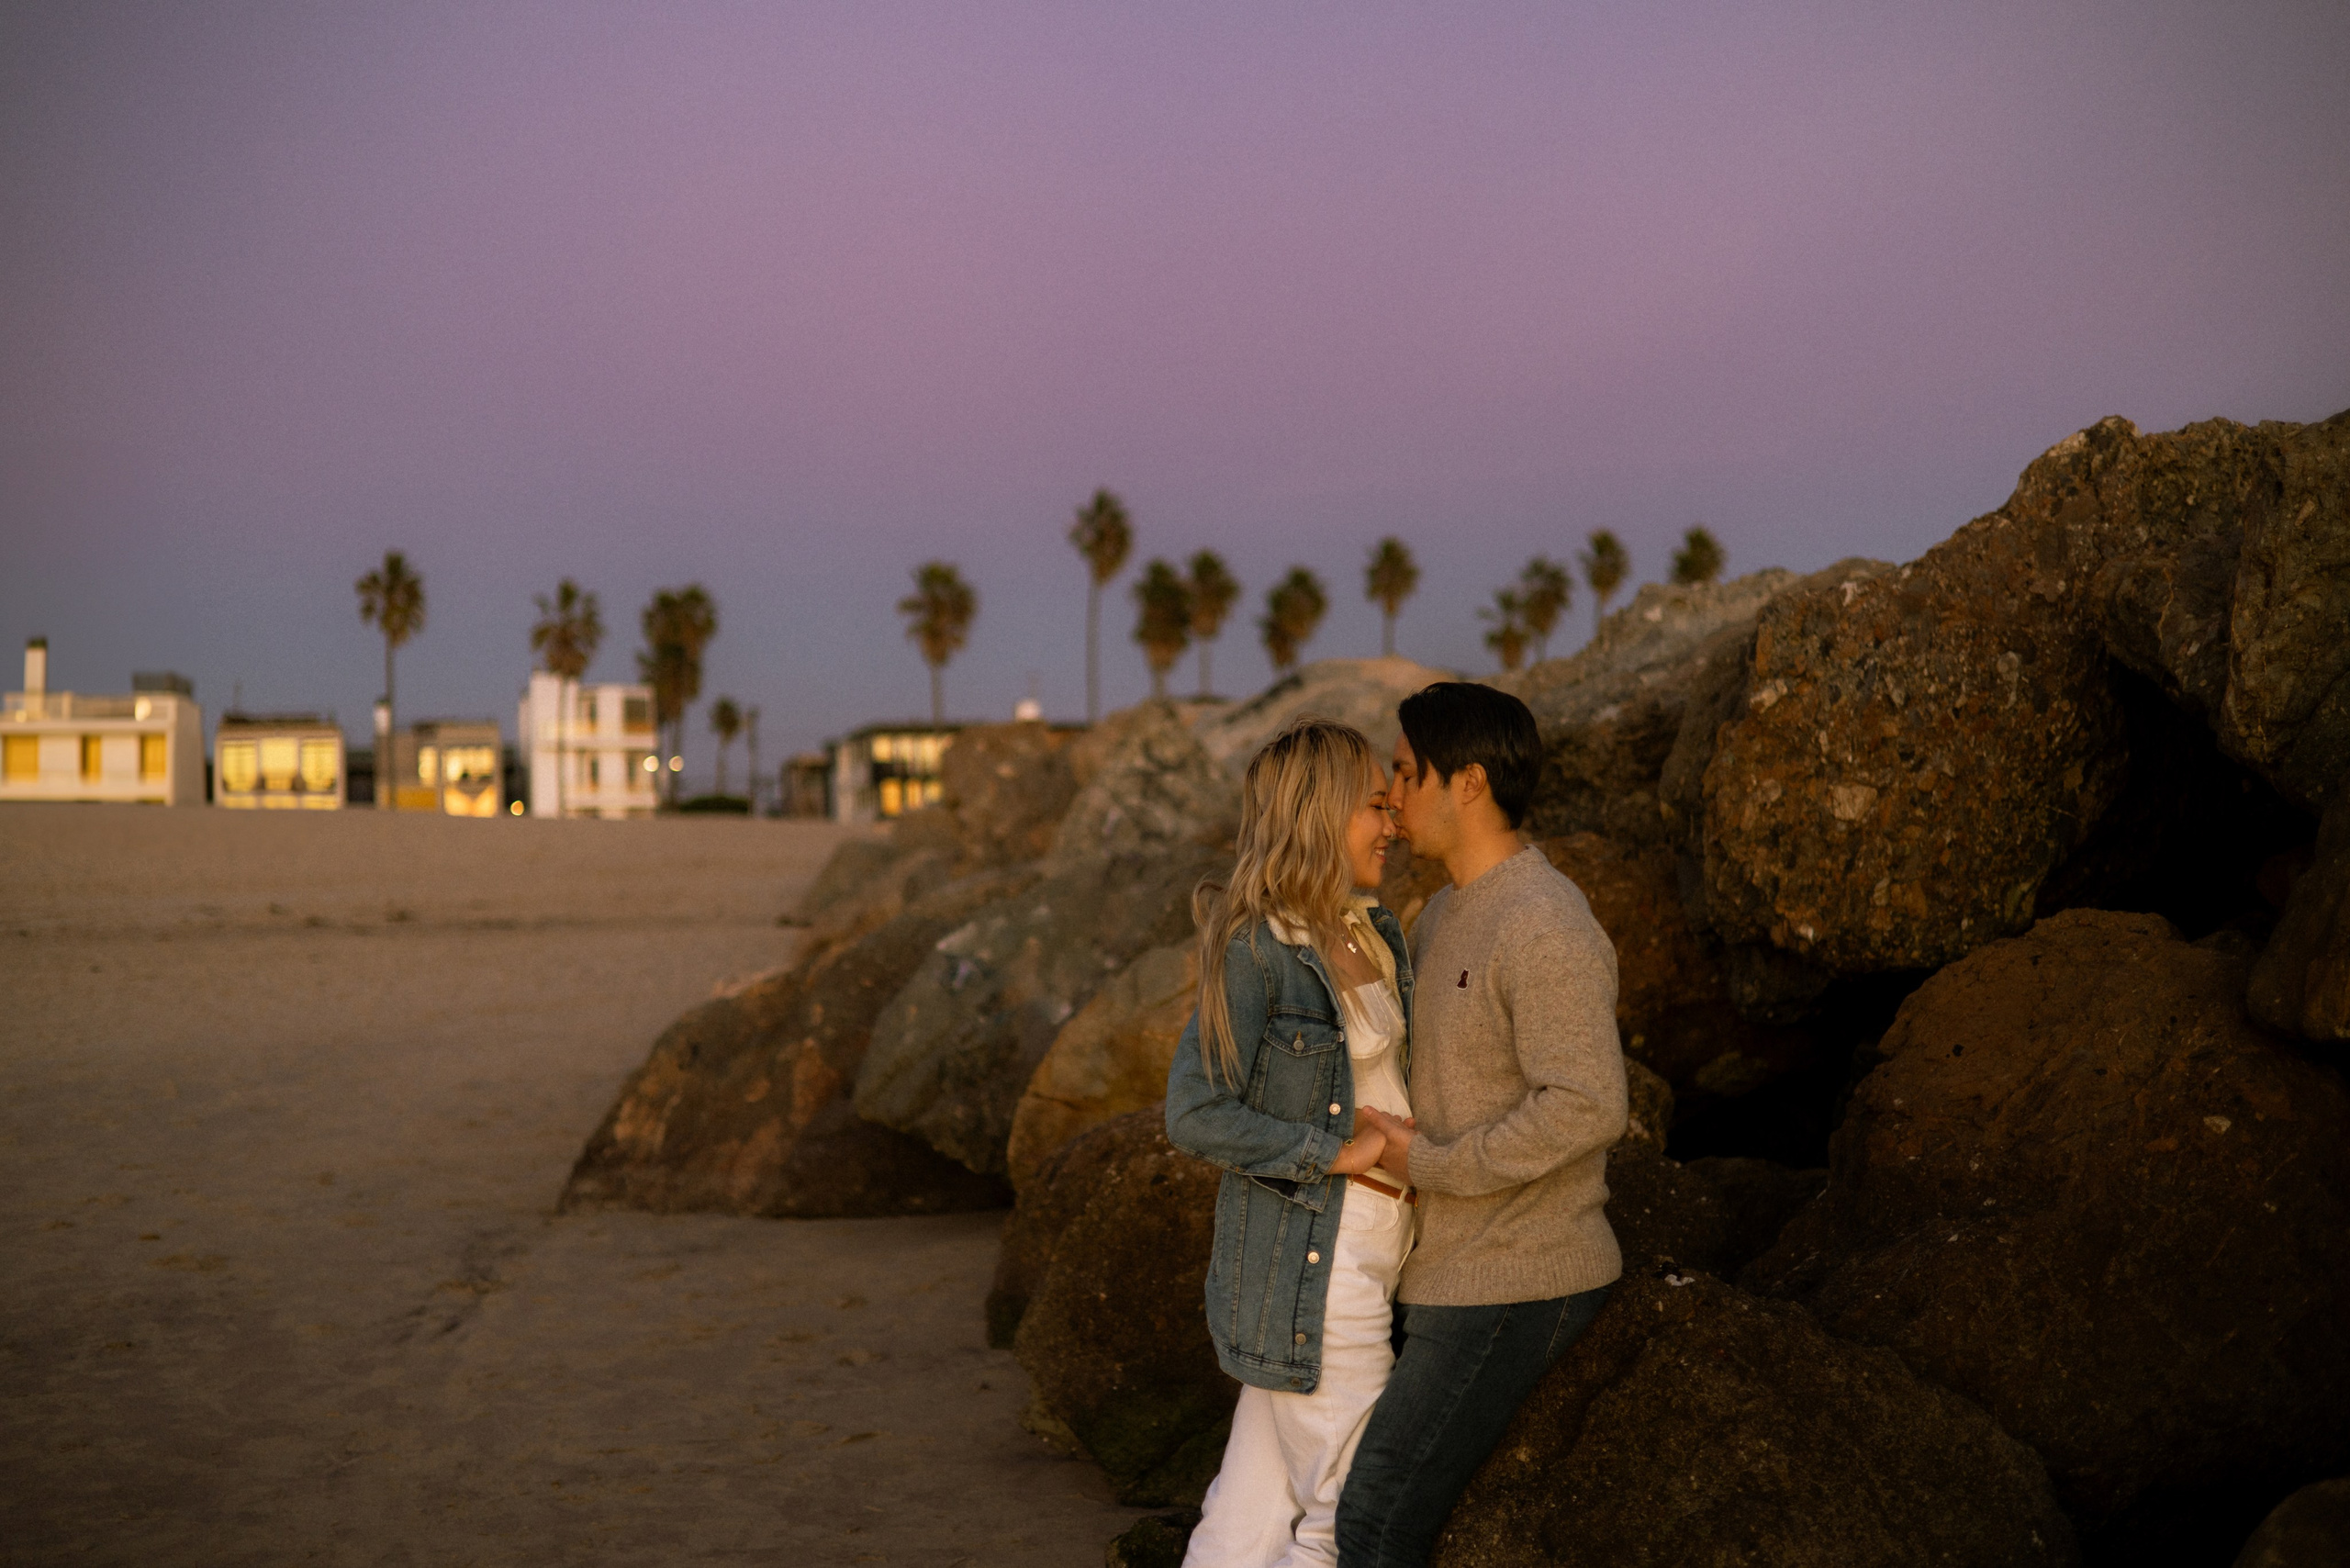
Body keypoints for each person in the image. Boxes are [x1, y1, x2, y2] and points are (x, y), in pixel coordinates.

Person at [1334, 681, 1628, 1567]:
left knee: (1375, 1513)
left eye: (1404, 772)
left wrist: (1433, 1164)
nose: (1390, 797)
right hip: (1446, 1267)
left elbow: (1589, 1102)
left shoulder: (1543, 920)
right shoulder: (1443, 916)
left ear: (1466, 784)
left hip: (1520, 1275)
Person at [1165, 717, 1420, 1568]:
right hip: (1320, 1270)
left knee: (1243, 1521)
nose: (1394, 824)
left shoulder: (1376, 933)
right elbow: (1195, 1111)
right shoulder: (1259, 950)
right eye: (1376, 806)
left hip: (1378, 1259)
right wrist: (1335, 1148)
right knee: (1351, 1520)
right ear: (1319, 815)